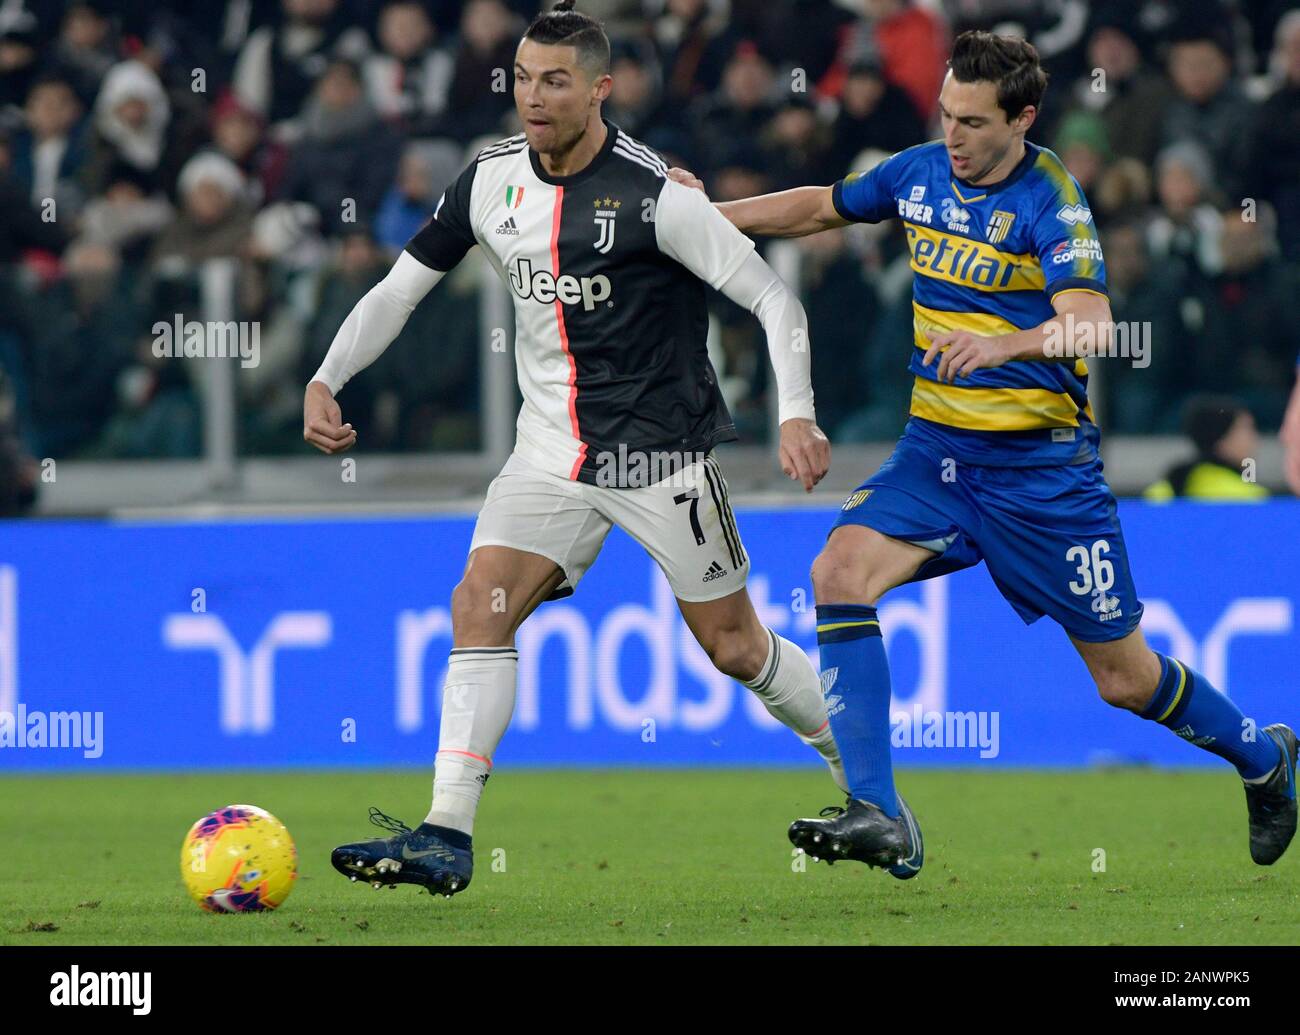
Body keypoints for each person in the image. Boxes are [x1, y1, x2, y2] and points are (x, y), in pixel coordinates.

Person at [673, 30, 1296, 877]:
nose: (953, 134)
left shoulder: (1053, 198)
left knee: (1123, 678)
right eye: (945, 114)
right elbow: (822, 203)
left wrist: (1006, 345)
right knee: (837, 574)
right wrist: (704, 220)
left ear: (1024, 117)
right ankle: (878, 810)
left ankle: (1263, 757)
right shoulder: (919, 171)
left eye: (971, 121)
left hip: (1043, 474)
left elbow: (1093, 322)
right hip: (937, 454)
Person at [306, 0, 843, 898]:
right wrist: (327, 377)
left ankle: (861, 772)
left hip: (660, 455)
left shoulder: (656, 195)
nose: (532, 96)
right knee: (480, 603)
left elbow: (773, 300)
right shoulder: (487, 181)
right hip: (548, 450)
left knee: (735, 647)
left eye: (554, 80)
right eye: (521, 77)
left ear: (601, 90)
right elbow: (399, 292)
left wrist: (799, 413)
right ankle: (446, 833)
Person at [1143, 396, 1267, 501]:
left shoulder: (1159, 492)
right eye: (1247, 429)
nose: (1255, 438)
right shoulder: (1249, 498)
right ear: (1221, 438)